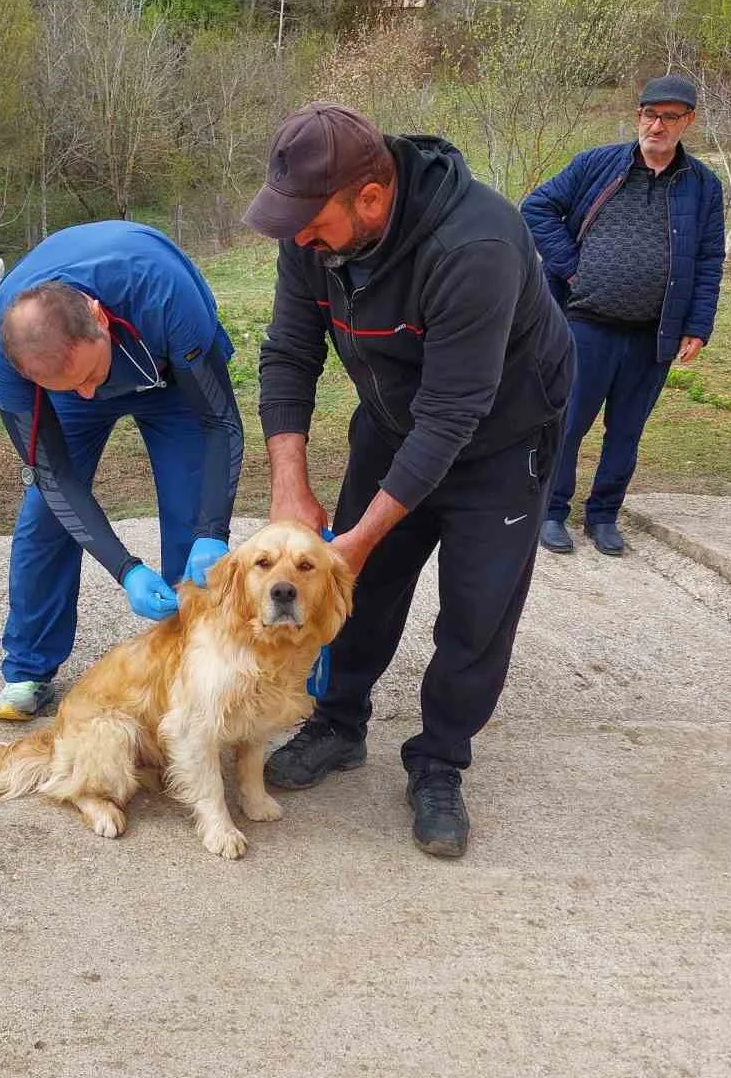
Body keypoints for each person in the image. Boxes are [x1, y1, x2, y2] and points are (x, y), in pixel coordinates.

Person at [244, 101, 574, 858]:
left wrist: (356, 538)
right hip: (394, 424)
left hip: (500, 440)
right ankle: (338, 722)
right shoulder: (312, 234)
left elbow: (455, 413)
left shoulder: (476, 242)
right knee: (361, 590)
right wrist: (289, 486)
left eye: (312, 222)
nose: (300, 238)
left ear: (371, 197)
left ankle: (439, 762)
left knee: (475, 614)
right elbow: (289, 351)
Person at [0, 220, 244, 720]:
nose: (87, 393)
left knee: (192, 525)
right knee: (46, 517)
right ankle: (28, 670)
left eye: (88, 377)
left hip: (169, 375)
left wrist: (213, 531)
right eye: (66, 385)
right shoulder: (1, 350)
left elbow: (220, 423)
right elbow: (52, 473)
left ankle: (194, 668)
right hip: (88, 364)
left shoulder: (166, 293)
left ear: (97, 317)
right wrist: (125, 569)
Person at [521, 75, 726, 557]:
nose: (657, 125)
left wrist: (698, 325)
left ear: (687, 122)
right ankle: (552, 511)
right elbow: (536, 209)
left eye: (670, 117)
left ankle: (604, 515)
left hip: (653, 334)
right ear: (638, 116)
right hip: (584, 325)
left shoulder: (702, 186)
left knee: (627, 431)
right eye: (650, 114)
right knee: (568, 423)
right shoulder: (595, 165)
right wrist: (571, 267)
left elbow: (710, 257)